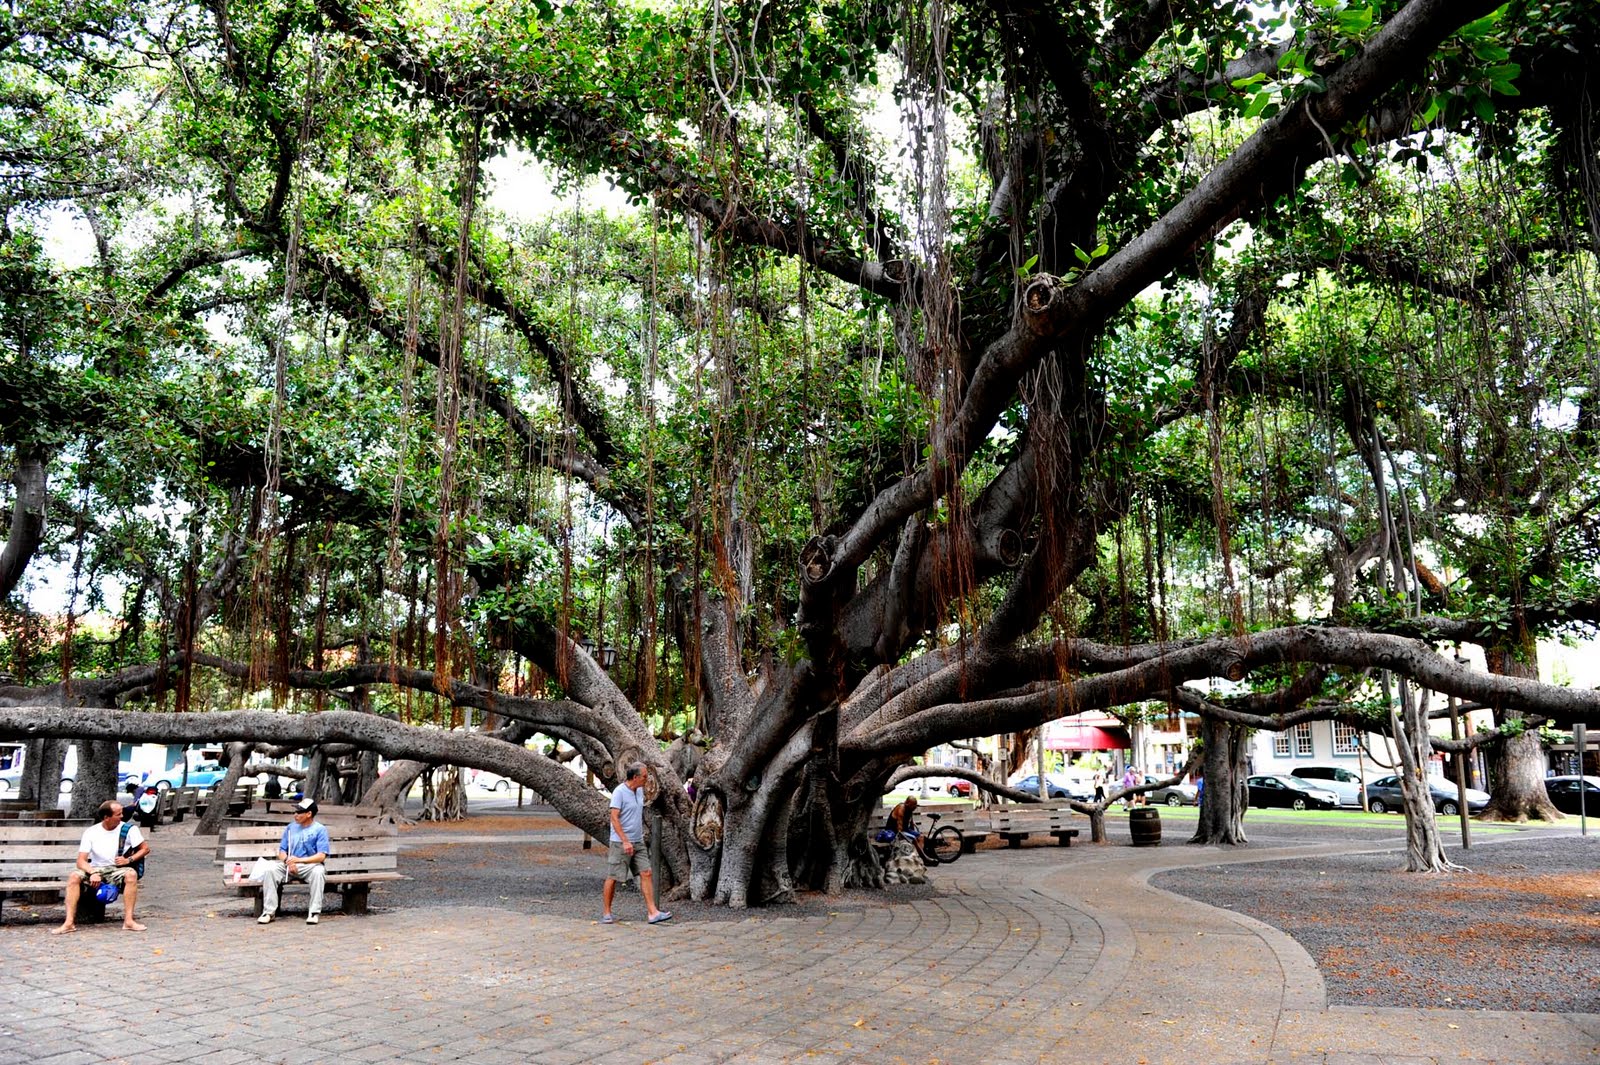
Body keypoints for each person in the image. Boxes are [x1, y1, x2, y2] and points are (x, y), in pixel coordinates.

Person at [52, 801, 149, 934]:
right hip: (96, 868)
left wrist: (128, 859)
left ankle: (129, 921)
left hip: (116, 869)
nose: (122, 816)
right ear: (106, 817)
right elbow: (81, 861)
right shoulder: (92, 832)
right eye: (118, 814)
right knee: (74, 877)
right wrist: (92, 872)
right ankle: (69, 922)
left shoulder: (129, 829)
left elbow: (145, 849)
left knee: (131, 874)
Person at [602, 762, 671, 925]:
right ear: (635, 777)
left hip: (638, 840)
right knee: (614, 876)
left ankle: (653, 913)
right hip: (620, 842)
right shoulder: (619, 792)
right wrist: (625, 840)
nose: (647, 779)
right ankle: (606, 912)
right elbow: (614, 818)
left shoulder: (639, 791)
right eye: (645, 776)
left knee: (646, 872)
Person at [257, 797, 329, 925]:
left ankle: (314, 912)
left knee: (319, 872)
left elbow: (321, 856)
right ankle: (269, 912)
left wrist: (300, 860)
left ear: (309, 814)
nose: (295, 815)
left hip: (310, 865)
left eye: (299, 812)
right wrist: (288, 862)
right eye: (295, 812)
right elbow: (282, 851)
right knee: (270, 870)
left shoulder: (320, 829)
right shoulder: (290, 828)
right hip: (289, 865)